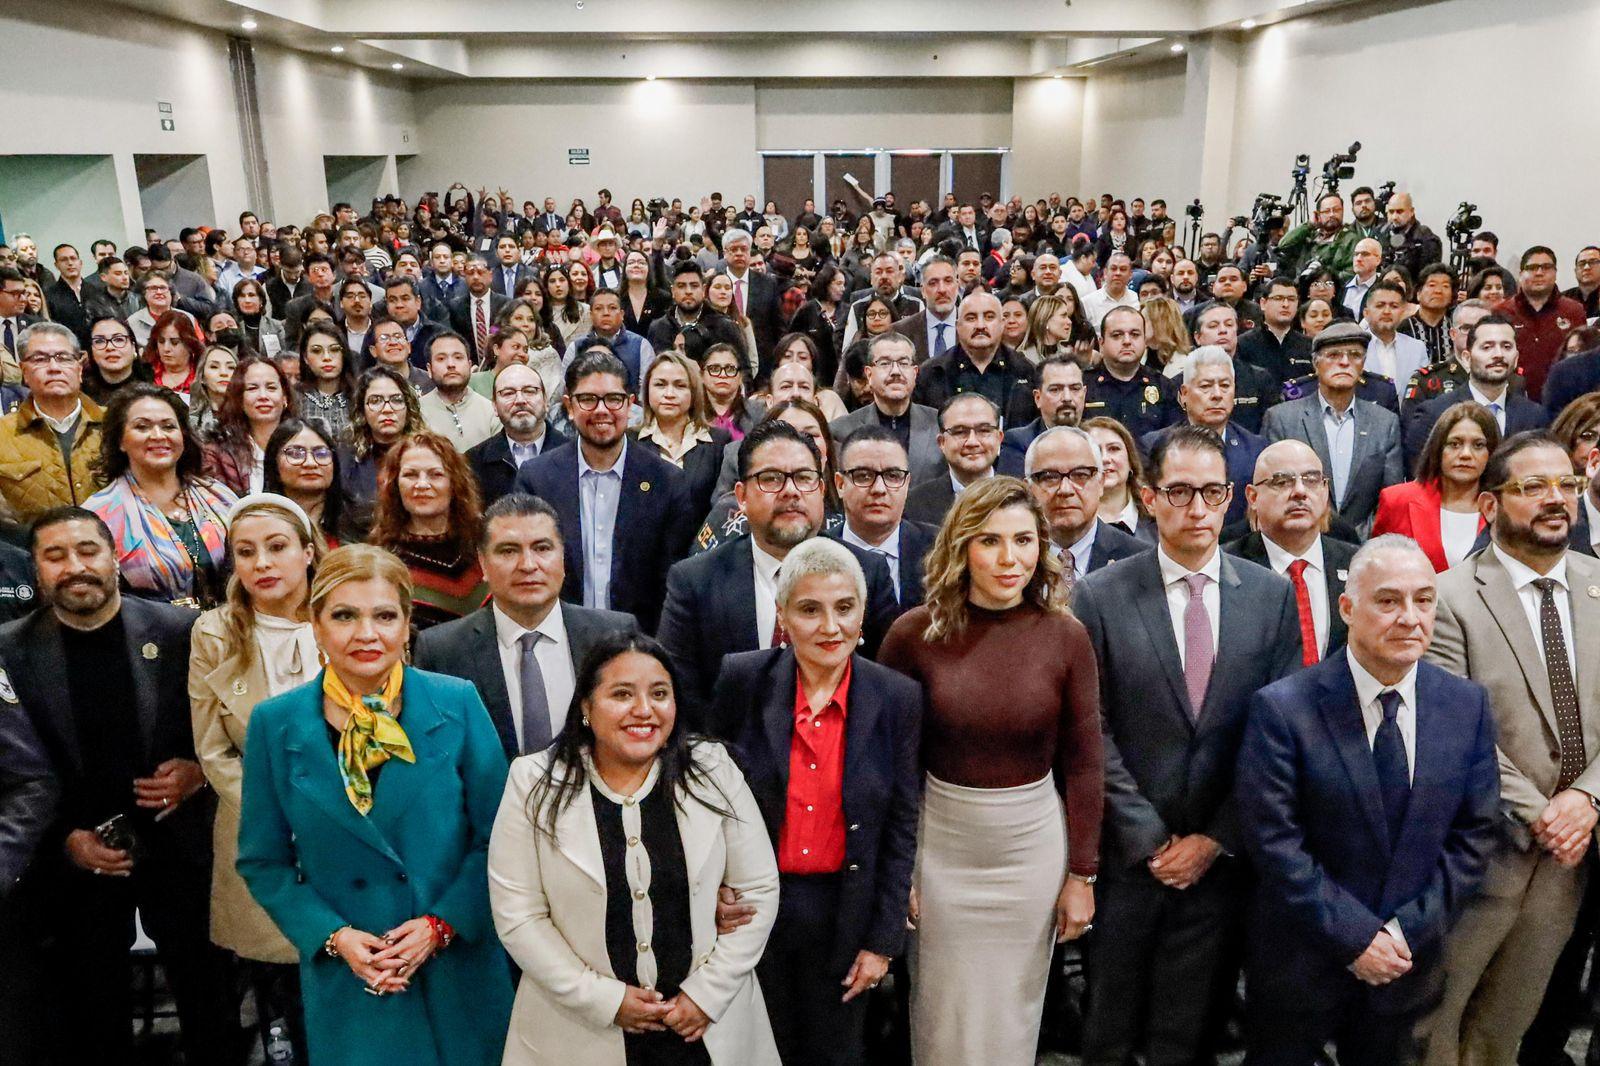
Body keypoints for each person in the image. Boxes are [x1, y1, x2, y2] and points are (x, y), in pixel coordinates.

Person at [1072, 424, 1303, 1066]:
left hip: (1219, 857)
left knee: (1189, 1032)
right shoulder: (1099, 595)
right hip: (1128, 856)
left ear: (1233, 498)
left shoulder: (1271, 596)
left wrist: (1215, 838)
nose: (1196, 509)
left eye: (1211, 492)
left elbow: (1278, 734)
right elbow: (1091, 727)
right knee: (1109, 1030)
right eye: (1179, 492)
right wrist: (1149, 837)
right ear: (1148, 498)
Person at [237, 543, 513, 1066]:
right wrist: (334, 937)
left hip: (457, 971)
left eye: (385, 615)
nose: (367, 633)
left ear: (408, 624)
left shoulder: (456, 702)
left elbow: (500, 839)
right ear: (315, 625)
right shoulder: (276, 724)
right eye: (344, 615)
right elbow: (262, 860)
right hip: (354, 977)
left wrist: (441, 925)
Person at [1237, 535, 1501, 1066]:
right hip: (1301, 962)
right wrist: (1358, 938)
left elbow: (1475, 835)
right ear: (1347, 608)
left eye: (1423, 600)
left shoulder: (1464, 704)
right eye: (1388, 600)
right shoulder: (1284, 709)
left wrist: (1404, 932)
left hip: (1408, 963)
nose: (1410, 617)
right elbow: (1274, 842)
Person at [878, 476, 1101, 1066]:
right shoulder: (911, 636)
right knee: (941, 1017)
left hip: (1030, 849)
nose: (1011, 559)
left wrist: (1083, 874)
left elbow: (1083, 762)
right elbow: (888, 766)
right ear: (961, 548)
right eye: (991, 541)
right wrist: (896, 869)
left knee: (1012, 1022)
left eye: (1025, 541)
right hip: (940, 844)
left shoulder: (1067, 637)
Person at [2, 507, 236, 1062]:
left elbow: (227, 726)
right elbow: (14, 770)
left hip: (179, 846)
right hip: (76, 855)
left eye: (88, 551)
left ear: (114, 558)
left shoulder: (182, 631)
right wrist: (65, 840)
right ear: (35, 570)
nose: (75, 566)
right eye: (55, 556)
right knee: (91, 1017)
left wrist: (199, 771)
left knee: (211, 1005)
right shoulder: (9, 649)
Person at [488, 631, 782, 1066]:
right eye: (622, 694)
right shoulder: (533, 780)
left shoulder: (713, 769)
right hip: (578, 1032)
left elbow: (758, 890)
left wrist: (706, 995)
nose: (644, 710)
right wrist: (604, 1001)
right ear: (586, 707)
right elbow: (519, 916)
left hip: (704, 1026)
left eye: (659, 694)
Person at [1417, 432, 1600, 1065]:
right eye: (1533, 487)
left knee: (1507, 1024)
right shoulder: (1448, 597)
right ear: (1491, 506)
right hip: (1492, 847)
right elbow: (1455, 730)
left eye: (1567, 485)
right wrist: (1546, 813)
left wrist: (1586, 799)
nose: (1556, 500)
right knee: (1439, 1021)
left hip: (1573, 854)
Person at [707, 539, 922, 1065]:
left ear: (863, 612)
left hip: (844, 910)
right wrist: (710, 888)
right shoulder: (742, 679)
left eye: (844, 608)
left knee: (834, 1054)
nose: (831, 627)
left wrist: (883, 940)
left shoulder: (897, 697)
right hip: (755, 907)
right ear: (782, 616)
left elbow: (901, 823)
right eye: (810, 609)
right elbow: (707, 798)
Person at [188, 494, 322, 1060]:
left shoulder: (347, 615)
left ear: (308, 552)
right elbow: (213, 749)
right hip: (258, 830)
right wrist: (277, 819)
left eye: (276, 547)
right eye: (246, 553)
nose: (262, 563)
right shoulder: (213, 632)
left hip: (351, 821)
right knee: (279, 980)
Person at [658, 419, 899, 726]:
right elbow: (680, 696)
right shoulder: (695, 582)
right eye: (771, 479)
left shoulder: (867, 572)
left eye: (804, 478)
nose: (791, 491)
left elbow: (887, 689)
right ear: (741, 496)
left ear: (822, 490)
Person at [413, 492, 638, 762]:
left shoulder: (614, 634)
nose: (528, 565)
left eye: (542, 548)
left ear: (563, 558)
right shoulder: (441, 651)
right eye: (508, 551)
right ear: (483, 563)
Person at [516, 349, 695, 632]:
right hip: (557, 638)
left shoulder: (667, 482)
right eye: (588, 399)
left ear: (630, 406)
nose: (602, 410)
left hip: (639, 642)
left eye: (613, 399)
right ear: (569, 407)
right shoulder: (537, 478)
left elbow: (672, 582)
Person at [86, 384, 236, 608]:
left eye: (168, 426)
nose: (158, 436)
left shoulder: (219, 495)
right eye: (142, 427)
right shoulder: (100, 514)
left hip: (229, 630)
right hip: (149, 636)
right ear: (120, 441)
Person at [1263, 321, 1404, 533]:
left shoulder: (1385, 423)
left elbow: (1390, 499)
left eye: (1354, 355)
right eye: (1333, 355)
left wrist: (1358, 540)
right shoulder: (1282, 419)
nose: (1345, 362)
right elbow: (1273, 490)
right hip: (1299, 539)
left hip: (1364, 546)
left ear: (1363, 364)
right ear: (1316, 363)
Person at [1226, 440, 1358, 662]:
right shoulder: (1227, 568)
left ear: (1325, 490)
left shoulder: (1357, 564)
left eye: (1312, 480)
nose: (1299, 491)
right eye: (1282, 481)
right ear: (1253, 497)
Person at [368, 430, 487, 629]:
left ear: (455, 483)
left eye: (435, 474)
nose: (422, 484)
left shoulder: (485, 544)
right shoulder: (382, 561)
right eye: (410, 475)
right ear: (395, 485)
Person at [1140, 347, 1268, 528]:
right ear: (1184, 394)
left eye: (1225, 386)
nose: (1217, 395)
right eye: (1206, 386)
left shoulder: (1256, 449)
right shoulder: (1154, 445)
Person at [1402, 314, 1548, 471]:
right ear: (1466, 358)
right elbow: (1421, 476)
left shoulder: (1535, 416)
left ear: (1516, 358)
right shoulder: (1434, 413)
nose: (1498, 354)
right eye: (1487, 347)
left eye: (1506, 347)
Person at [0, 323, 107, 525]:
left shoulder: (115, 424)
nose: (54, 368)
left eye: (63, 358)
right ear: (24, 371)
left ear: (79, 369)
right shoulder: (3, 435)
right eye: (40, 359)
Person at [1024, 425, 1149, 598]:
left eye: (1080, 475)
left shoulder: (1141, 561)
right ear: (1029, 488)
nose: (1065, 490)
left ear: (1101, 483)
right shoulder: (1013, 560)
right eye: (1049, 477)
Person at [1374, 402, 1499, 572]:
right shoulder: (1397, 501)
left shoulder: (1505, 507)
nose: (1465, 454)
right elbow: (1376, 570)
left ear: (1491, 452)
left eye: (1478, 445)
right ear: (1438, 449)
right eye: (1455, 444)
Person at [830, 424, 936, 609]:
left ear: (907, 483)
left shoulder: (939, 549)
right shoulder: (819, 550)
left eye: (893, 476)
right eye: (863, 476)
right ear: (840, 485)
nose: (879, 489)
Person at [911, 290, 1035, 426]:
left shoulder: (1026, 371)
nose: (980, 326)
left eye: (989, 317)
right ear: (958, 326)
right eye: (971, 318)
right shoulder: (931, 373)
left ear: (1002, 324)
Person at [633, 350, 732, 523]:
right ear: (647, 390)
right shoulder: (630, 441)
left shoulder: (719, 442)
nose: (669, 394)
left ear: (694, 393)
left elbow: (721, 509)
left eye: (680, 385)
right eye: (660, 384)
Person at [827, 332, 942, 480]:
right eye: (885, 363)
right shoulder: (841, 431)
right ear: (869, 374)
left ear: (915, 373)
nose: (895, 372)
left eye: (903, 363)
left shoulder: (940, 424)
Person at [468, 362, 567, 507]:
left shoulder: (574, 455)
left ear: (546, 401)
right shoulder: (473, 463)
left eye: (530, 391)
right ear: (494, 406)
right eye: (508, 393)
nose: (520, 400)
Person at [1084, 305, 1182, 440]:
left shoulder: (1163, 387)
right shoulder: (1083, 385)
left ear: (1145, 341)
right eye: (1117, 335)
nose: (1127, 341)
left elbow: (1175, 440)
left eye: (1135, 335)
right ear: (1101, 343)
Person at [202, 354, 295, 496]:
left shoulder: (303, 448)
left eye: (271, 388)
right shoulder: (217, 453)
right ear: (239, 398)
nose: (263, 396)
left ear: (285, 398)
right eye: (252, 388)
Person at [342, 365, 425, 517]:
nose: (387, 409)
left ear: (408, 406)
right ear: (362, 410)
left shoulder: (427, 453)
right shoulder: (345, 458)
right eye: (375, 401)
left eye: (396, 400)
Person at [264, 417, 351, 547]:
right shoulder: (258, 523)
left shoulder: (361, 524)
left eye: (321, 453)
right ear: (274, 464)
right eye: (295, 453)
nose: (310, 463)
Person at [418, 331, 499, 453]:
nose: (451, 364)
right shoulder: (417, 411)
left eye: (458, 358)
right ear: (429, 369)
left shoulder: (491, 411)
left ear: (469, 365)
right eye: (441, 359)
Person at [1085, 416, 1149, 537]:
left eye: (1114, 449)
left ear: (1130, 460)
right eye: (1095, 450)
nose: (1105, 459)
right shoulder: (1069, 525)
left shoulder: (1158, 519)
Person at [296, 323, 356, 444]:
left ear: (343, 354)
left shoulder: (361, 396)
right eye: (317, 351)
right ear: (305, 358)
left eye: (334, 350)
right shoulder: (293, 398)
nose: (327, 357)